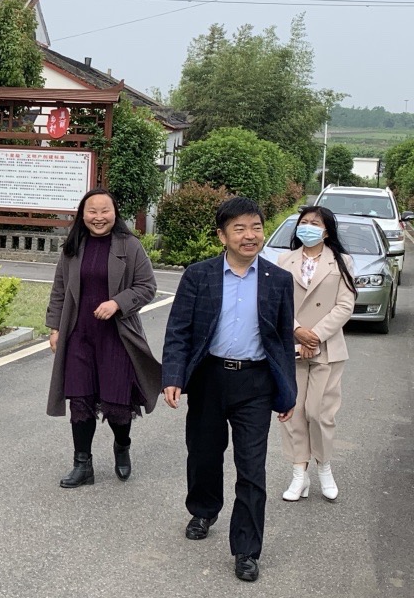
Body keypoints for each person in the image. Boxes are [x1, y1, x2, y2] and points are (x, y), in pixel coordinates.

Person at [162, 196, 297, 583]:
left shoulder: (278, 279)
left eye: (256, 227)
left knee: (252, 468)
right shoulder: (198, 275)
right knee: (204, 454)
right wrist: (173, 376)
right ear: (222, 236)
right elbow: (179, 331)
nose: (249, 235)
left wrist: (287, 391)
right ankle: (203, 510)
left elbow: (282, 341)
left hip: (255, 383)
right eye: (239, 228)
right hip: (209, 378)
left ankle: (247, 549)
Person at [45, 188, 160, 489]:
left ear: (114, 213)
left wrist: (117, 303)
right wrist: (55, 328)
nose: (99, 217)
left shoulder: (129, 245)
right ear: (82, 215)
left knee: (117, 404)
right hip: (79, 335)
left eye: (105, 211)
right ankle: (82, 464)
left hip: (116, 337)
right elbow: (59, 290)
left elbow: (147, 286)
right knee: (80, 400)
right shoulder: (73, 246)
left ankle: (122, 445)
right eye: (92, 211)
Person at [276, 206, 356, 502]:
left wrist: (315, 335)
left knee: (319, 413)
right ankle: (299, 474)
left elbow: (345, 305)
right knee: (294, 412)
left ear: (327, 231)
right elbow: (277, 303)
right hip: (292, 345)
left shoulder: (342, 261)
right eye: (304, 222)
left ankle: (324, 467)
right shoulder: (285, 260)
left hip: (327, 347)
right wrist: (298, 331)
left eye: (315, 223)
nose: (308, 227)